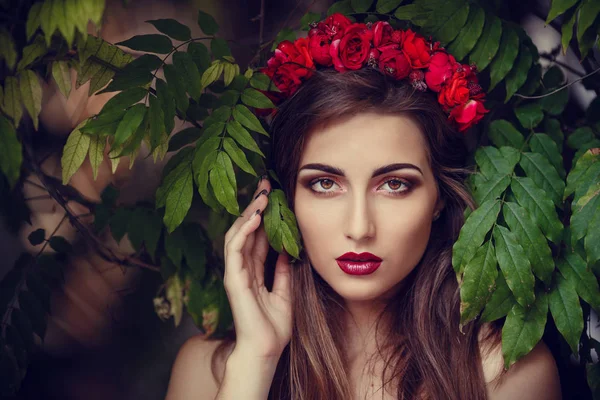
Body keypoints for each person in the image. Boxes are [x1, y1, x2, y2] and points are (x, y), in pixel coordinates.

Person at [165, 16, 561, 400]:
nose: (359, 228)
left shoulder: (505, 373)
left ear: (439, 198)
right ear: (281, 200)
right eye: (324, 183)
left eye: (394, 184)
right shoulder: (208, 371)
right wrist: (256, 361)